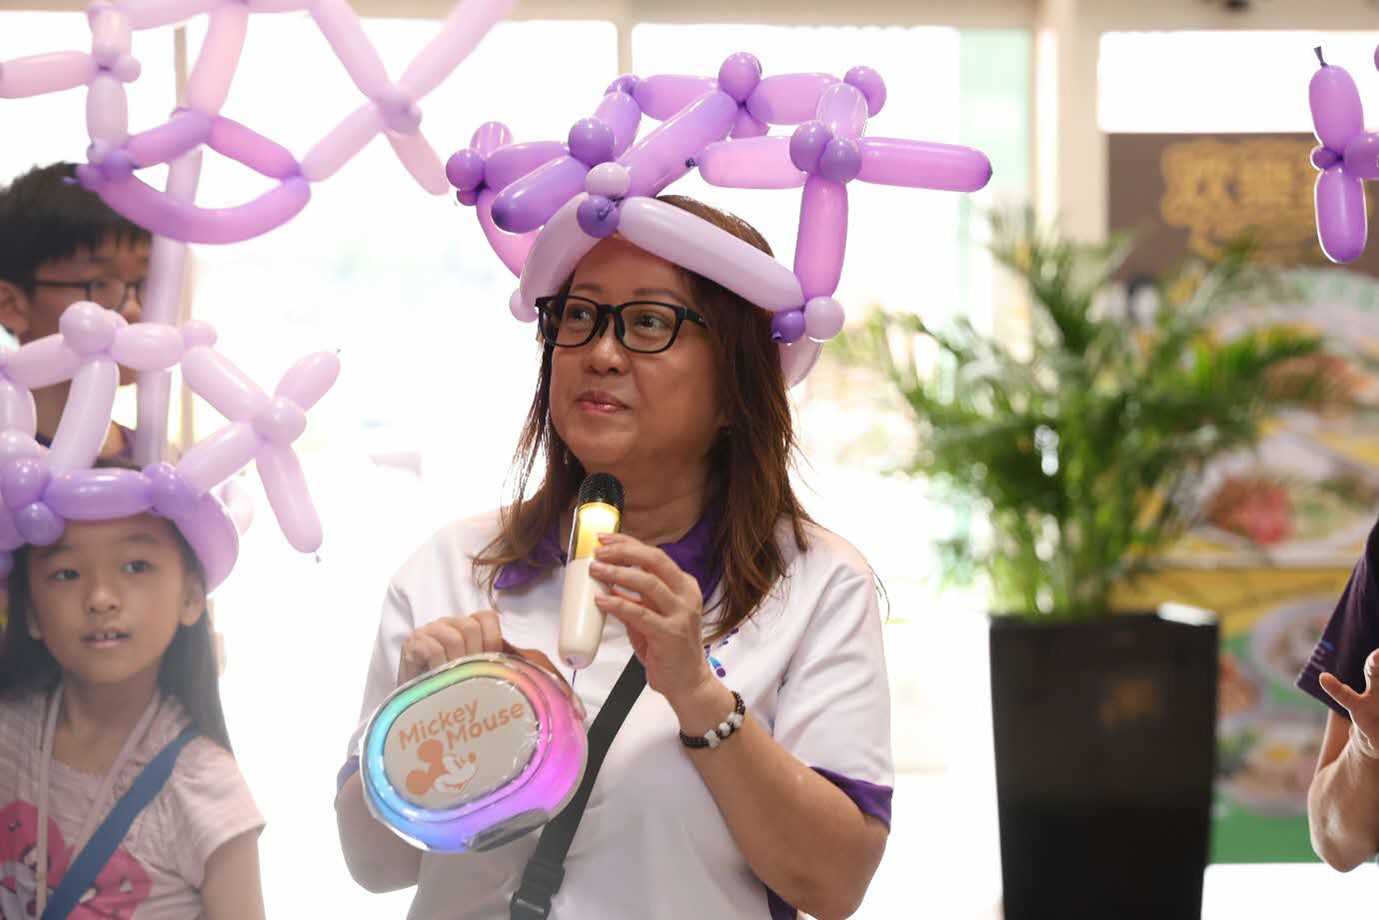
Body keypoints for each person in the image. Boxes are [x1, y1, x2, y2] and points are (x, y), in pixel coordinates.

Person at [335, 196, 892, 919]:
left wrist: (697, 692)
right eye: (578, 316)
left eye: (650, 323)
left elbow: (832, 882)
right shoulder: (452, 566)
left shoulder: (817, 584)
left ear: (735, 386)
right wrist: (412, 724)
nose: (600, 351)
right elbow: (373, 865)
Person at [0, 461, 266, 919]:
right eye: (66, 573)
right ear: (31, 614)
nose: (101, 596)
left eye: (135, 565)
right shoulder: (9, 733)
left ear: (190, 598)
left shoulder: (208, 793)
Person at [0, 161, 150, 460]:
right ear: (11, 305)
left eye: (144, 283)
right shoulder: (10, 467)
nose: (133, 310)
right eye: (101, 283)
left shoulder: (159, 457)